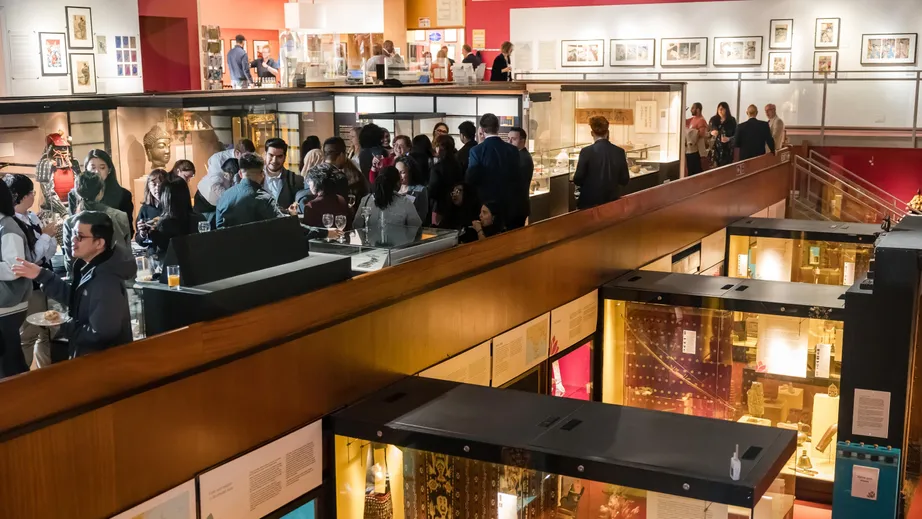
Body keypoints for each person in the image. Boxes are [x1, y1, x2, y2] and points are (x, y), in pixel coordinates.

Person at [13, 211, 137, 359]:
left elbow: (102, 333)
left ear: (99, 243)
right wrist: (42, 275)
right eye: (72, 234)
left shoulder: (106, 280)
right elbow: (78, 300)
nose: (73, 240)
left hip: (101, 364)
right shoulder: (91, 266)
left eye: (80, 237)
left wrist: (65, 326)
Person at [5, 175, 57, 370]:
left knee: (48, 332)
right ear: (22, 196)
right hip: (30, 287)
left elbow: (47, 253)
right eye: (31, 193)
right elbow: (27, 260)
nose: (33, 196)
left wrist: (48, 239)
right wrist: (46, 236)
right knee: (29, 334)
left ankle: (47, 373)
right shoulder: (11, 223)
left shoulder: (32, 217)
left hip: (45, 279)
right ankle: (23, 377)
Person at [0, 180, 36, 377]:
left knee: (9, 365)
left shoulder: (7, 227)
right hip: (6, 305)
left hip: (9, 306)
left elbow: (16, 268)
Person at [63, 172, 131, 275]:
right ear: (101, 192)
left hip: (83, 279)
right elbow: (126, 254)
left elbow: (70, 262)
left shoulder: (70, 222)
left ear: (77, 192)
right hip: (115, 276)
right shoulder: (119, 216)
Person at [466, 113, 521, 225]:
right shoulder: (512, 150)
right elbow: (517, 177)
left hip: (485, 203)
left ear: (482, 130)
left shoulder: (476, 151)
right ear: (498, 127)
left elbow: (471, 178)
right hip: (509, 203)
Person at [573, 116, 630, 210]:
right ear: (607, 132)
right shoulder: (619, 152)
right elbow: (624, 180)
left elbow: (578, 179)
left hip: (589, 203)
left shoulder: (586, 151)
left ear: (592, 133)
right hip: (612, 202)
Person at [216, 153, 287, 229]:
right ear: (262, 174)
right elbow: (281, 226)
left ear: (240, 173)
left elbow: (218, 228)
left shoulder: (224, 197)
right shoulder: (266, 199)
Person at [71, 150, 134, 233]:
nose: (97, 171)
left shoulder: (124, 195)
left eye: (102, 168)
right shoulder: (74, 195)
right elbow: (71, 227)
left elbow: (128, 230)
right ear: (86, 169)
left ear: (109, 170)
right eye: (93, 167)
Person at [137, 180, 201, 260]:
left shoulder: (164, 224)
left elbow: (162, 248)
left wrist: (151, 232)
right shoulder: (199, 218)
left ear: (165, 198)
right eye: (154, 184)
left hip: (168, 264)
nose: (157, 188)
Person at [353, 166, 422, 229]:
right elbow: (417, 228)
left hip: (371, 239)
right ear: (398, 183)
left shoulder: (366, 201)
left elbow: (357, 226)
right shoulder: (405, 203)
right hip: (399, 239)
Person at [429, 135, 464, 226]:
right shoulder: (458, 164)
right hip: (456, 204)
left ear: (440, 148)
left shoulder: (437, 167)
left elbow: (433, 191)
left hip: (440, 207)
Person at [196, 158, 238, 229]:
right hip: (202, 201)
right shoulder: (218, 175)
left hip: (214, 205)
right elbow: (214, 186)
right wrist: (228, 196)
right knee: (203, 224)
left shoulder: (232, 178)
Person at [263, 138, 303, 212]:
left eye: (279, 156)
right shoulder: (254, 178)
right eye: (271, 155)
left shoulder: (295, 180)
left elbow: (298, 208)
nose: (274, 160)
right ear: (265, 155)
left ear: (285, 157)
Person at [507, 126, 533, 229]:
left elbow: (516, 184)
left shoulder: (523, 158)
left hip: (517, 207)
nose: (509, 142)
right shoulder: (516, 156)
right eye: (508, 138)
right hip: (515, 207)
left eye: (513, 139)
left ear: (522, 140)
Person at [135, 168, 169, 240]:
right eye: (154, 184)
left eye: (161, 184)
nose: (157, 188)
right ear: (148, 187)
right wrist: (142, 233)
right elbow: (139, 239)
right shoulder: (145, 209)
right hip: (152, 246)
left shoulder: (174, 207)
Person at [396, 156, 429, 224]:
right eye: (397, 172)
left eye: (402, 172)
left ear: (410, 172)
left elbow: (422, 215)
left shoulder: (420, 190)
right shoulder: (392, 189)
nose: (399, 175)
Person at [709, 102, 737, 167]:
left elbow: (736, 135)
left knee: (727, 168)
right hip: (715, 150)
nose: (720, 110)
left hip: (727, 149)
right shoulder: (713, 120)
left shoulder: (732, 120)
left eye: (722, 109)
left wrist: (729, 139)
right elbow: (707, 132)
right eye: (719, 109)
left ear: (726, 110)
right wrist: (711, 132)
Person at [685, 102, 709, 176]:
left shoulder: (701, 120)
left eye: (693, 108)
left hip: (696, 152)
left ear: (698, 110)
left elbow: (701, 134)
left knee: (696, 172)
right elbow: (683, 121)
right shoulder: (693, 119)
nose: (691, 110)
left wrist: (691, 133)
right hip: (689, 150)